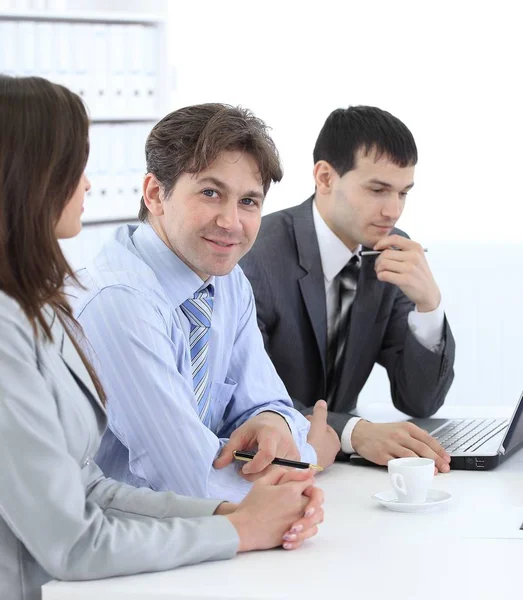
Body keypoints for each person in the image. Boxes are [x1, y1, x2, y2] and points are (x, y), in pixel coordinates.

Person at [0, 75, 325, 600]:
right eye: (72, 168)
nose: (86, 185)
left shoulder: (33, 306)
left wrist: (236, 507)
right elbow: (75, 538)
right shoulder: (93, 306)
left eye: (249, 201)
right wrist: (242, 522)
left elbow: (85, 487)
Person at [67, 103, 340, 502]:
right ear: (155, 194)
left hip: (202, 541)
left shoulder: (225, 281)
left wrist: (272, 423)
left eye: (249, 201)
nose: (231, 223)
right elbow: (188, 481)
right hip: (127, 541)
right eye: (211, 193)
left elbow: (269, 403)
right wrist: (311, 454)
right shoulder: (118, 302)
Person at [240, 105, 456, 472]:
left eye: (403, 193)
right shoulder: (256, 253)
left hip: (340, 473)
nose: (393, 211)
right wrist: (354, 432)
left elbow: (420, 402)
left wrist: (429, 307)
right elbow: (246, 398)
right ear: (325, 178)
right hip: (268, 468)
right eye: (378, 190)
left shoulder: (391, 250)